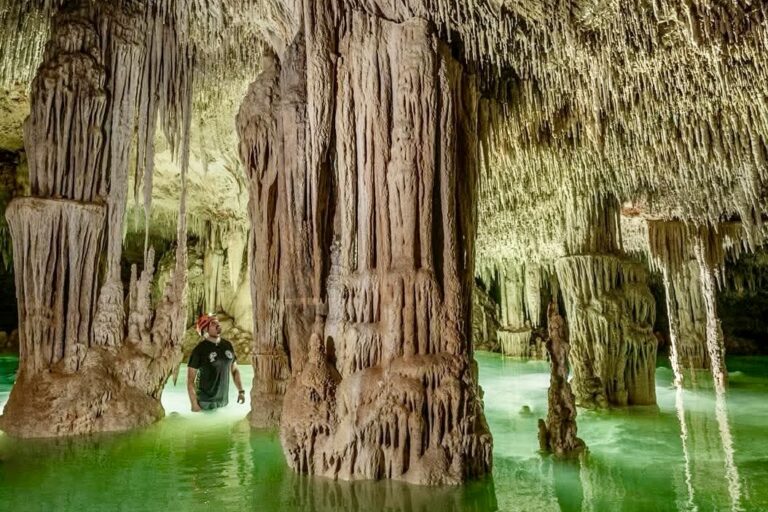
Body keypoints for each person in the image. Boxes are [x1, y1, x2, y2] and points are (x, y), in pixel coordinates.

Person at [187, 313, 245, 411]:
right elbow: (190, 380)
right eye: (213, 323)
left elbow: (234, 370)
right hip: (205, 403)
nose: (218, 325)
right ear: (205, 329)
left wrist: (241, 391)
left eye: (218, 322)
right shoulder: (199, 350)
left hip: (224, 402)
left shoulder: (228, 345)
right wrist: (194, 404)